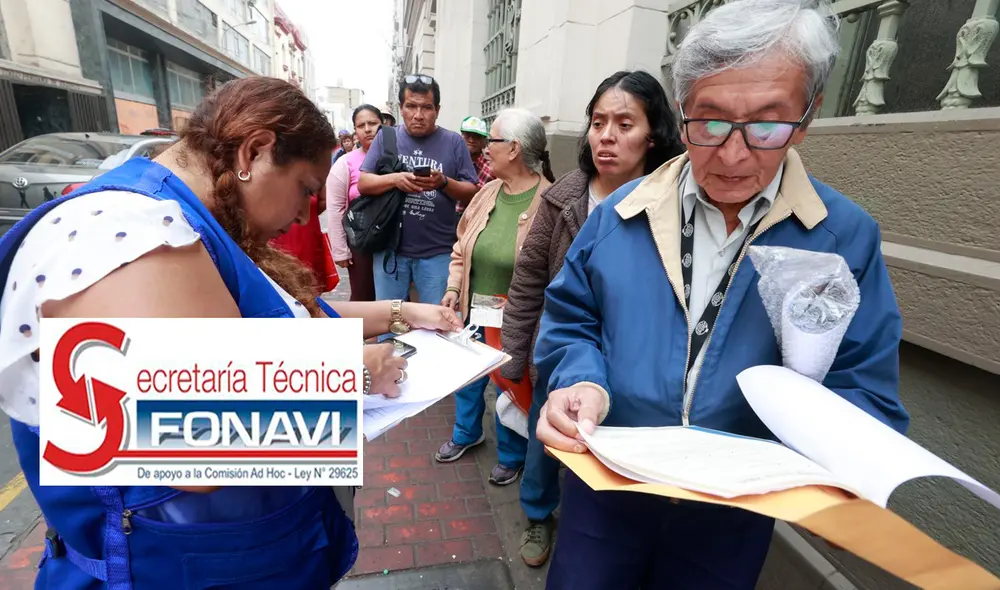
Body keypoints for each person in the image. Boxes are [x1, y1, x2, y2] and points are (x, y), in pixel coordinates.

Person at [0, 77, 463, 589]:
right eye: (305, 189)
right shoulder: (130, 235)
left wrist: (402, 313)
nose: (303, 215)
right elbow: (196, 446)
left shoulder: (185, 221)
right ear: (255, 151)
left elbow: (280, 319)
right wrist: (355, 372)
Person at [533, 1, 911, 588]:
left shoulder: (842, 237)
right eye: (709, 122)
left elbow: (862, 383)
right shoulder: (620, 213)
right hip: (608, 488)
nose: (734, 155)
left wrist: (837, 461)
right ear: (681, 111)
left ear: (806, 118)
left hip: (733, 512)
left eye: (766, 125)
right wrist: (581, 380)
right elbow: (572, 317)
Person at [500, 69, 686, 568]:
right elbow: (529, 280)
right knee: (546, 445)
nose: (606, 136)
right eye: (598, 122)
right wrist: (514, 358)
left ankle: (606, 532)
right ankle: (538, 513)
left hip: (632, 360)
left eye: (624, 124)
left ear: (654, 134)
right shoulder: (563, 199)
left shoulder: (675, 204)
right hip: (562, 354)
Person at [437, 108, 556, 483]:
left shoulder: (550, 202)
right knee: (467, 377)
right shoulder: (487, 193)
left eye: (494, 140)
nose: (486, 148)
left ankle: (512, 454)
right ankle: (466, 433)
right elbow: (461, 248)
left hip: (516, 320)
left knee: (510, 387)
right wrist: (454, 287)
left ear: (515, 148)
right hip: (475, 309)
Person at [357, 74, 480, 306]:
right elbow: (363, 183)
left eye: (426, 107)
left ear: (437, 110)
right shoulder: (386, 137)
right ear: (401, 108)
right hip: (390, 249)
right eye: (411, 106)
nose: (418, 115)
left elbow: (472, 191)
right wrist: (395, 179)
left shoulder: (454, 142)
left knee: (437, 319)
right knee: (390, 320)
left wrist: (444, 182)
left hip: (438, 253)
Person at [327, 104, 383, 301]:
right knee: (363, 297)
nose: (367, 129)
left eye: (373, 123)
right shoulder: (345, 163)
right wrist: (340, 251)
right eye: (361, 125)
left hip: (393, 246)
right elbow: (335, 209)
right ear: (355, 132)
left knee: (393, 300)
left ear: (383, 126)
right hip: (360, 244)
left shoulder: (396, 158)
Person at [455, 115, 495, 221]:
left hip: (475, 220)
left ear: (484, 142)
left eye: (477, 136)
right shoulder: (451, 161)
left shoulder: (492, 169)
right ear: (461, 137)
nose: (471, 140)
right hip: (448, 219)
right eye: (468, 135)